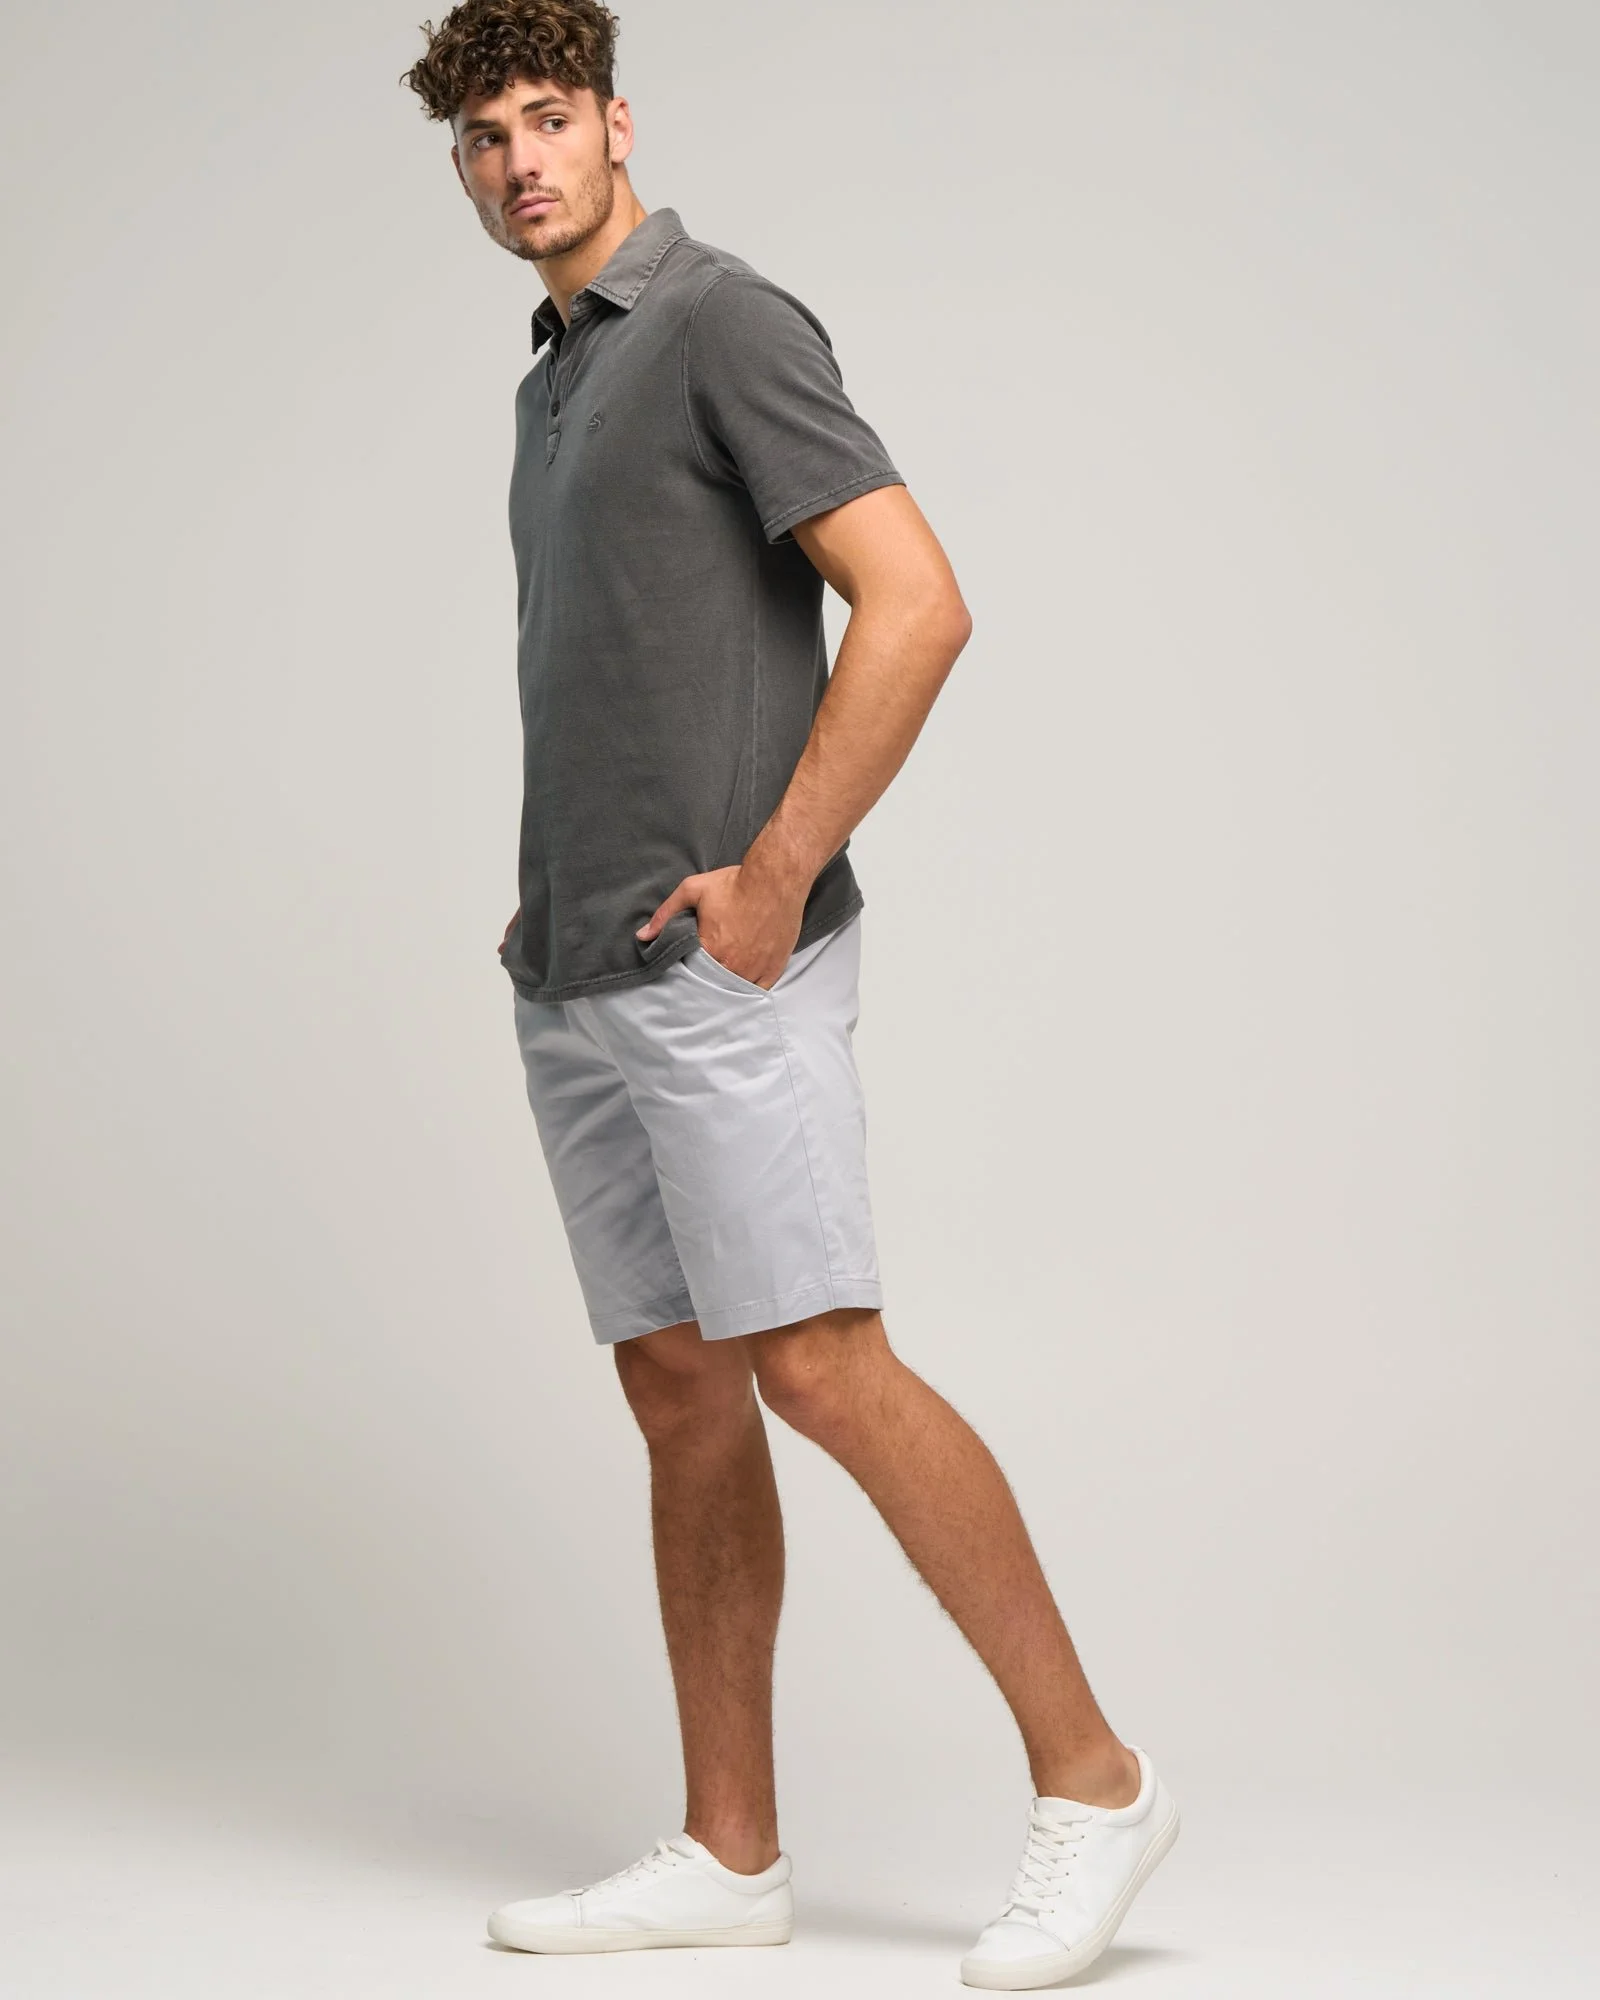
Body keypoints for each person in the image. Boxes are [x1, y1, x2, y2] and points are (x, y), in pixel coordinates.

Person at [401, 2, 1179, 1986]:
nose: (518, 161)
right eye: (483, 135)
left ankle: (1095, 1782)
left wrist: (770, 876)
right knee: (678, 1390)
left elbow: (916, 599)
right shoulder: (555, 377)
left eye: (546, 117)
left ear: (616, 123)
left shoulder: (717, 321)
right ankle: (730, 1849)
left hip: (719, 968)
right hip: (579, 972)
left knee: (818, 1360)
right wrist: (548, 906)